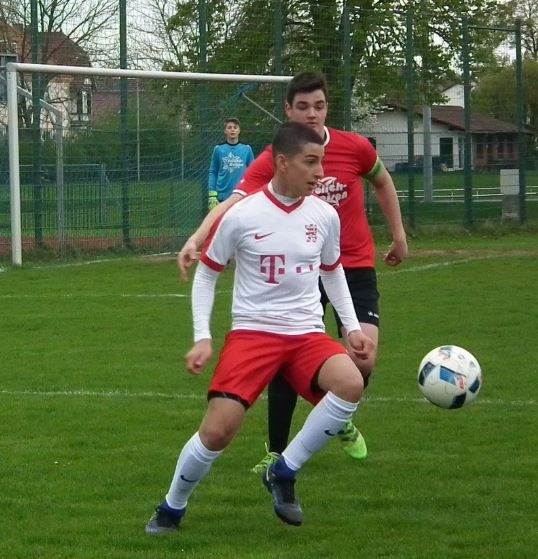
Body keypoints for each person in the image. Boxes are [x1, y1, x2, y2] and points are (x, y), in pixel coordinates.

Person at [145, 121, 376, 534]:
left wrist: (351, 326)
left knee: (350, 383)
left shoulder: (325, 215)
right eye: (310, 162)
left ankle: (283, 471)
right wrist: (202, 336)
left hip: (306, 334)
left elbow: (332, 270)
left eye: (321, 161)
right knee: (218, 431)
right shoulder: (242, 215)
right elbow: (207, 274)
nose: (320, 172)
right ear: (282, 163)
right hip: (253, 333)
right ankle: (171, 507)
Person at [177, 71, 408, 470]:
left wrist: (399, 235)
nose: (311, 114)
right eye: (303, 107)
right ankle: (278, 452)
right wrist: (197, 237)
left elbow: (383, 182)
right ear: (288, 110)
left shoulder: (354, 147)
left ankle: (335, 415)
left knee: (363, 361)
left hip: (352, 265)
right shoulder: (277, 157)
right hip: (299, 270)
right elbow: (235, 202)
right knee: (288, 353)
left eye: (319, 106)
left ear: (328, 108)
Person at [207, 117, 254, 210]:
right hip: (222, 197)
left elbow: (253, 172)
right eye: (229, 127)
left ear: (239, 130)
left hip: (241, 196)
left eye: (235, 127)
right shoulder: (218, 149)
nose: (232, 130)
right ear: (225, 131)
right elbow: (213, 172)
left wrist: (253, 192)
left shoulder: (247, 149)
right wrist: (212, 195)